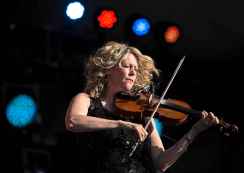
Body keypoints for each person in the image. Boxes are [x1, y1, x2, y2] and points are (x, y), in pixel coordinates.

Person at [65, 41, 219, 173]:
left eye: (136, 69)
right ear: (109, 69)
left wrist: (194, 132)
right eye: (127, 66)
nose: (133, 72)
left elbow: (161, 163)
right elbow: (73, 121)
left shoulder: (140, 115)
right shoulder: (85, 100)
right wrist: (121, 124)